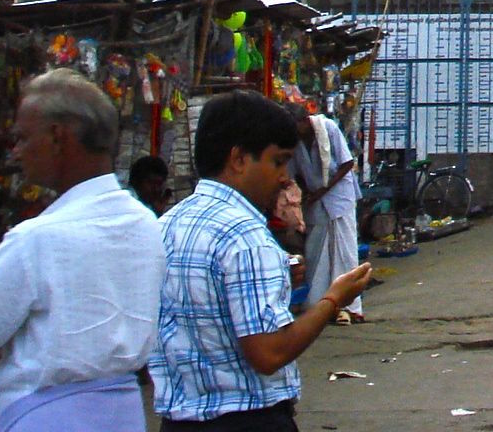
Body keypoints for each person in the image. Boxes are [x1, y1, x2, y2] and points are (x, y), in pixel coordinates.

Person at [0, 70, 166, 431]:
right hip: (123, 415)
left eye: (23, 137)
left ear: (58, 137)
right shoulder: (145, 224)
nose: (17, 151)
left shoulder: (37, 240)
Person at [153, 89, 373, 430]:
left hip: (180, 420)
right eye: (278, 161)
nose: (285, 176)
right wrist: (332, 300)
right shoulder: (245, 235)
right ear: (239, 159)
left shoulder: (166, 225)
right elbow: (269, 353)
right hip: (248, 420)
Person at [289, 108, 363, 323]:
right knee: (316, 252)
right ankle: (319, 304)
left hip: (339, 197)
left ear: (305, 121)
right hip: (315, 200)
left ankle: (348, 306)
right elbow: (295, 173)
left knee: (344, 253)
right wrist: (306, 192)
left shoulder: (327, 128)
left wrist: (324, 189)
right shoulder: (295, 141)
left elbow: (347, 163)